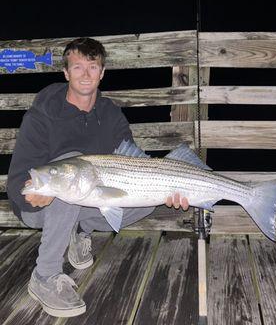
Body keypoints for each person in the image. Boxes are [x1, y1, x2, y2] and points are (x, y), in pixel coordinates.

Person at [6, 37, 189, 318]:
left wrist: (167, 185)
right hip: (40, 205)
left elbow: (131, 162)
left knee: (146, 201)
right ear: (66, 73)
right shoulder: (41, 115)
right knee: (71, 176)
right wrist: (27, 193)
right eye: (78, 67)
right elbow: (20, 173)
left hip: (84, 197)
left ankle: (79, 233)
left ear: (102, 72)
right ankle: (45, 275)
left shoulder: (111, 115)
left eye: (92, 67)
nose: (86, 74)